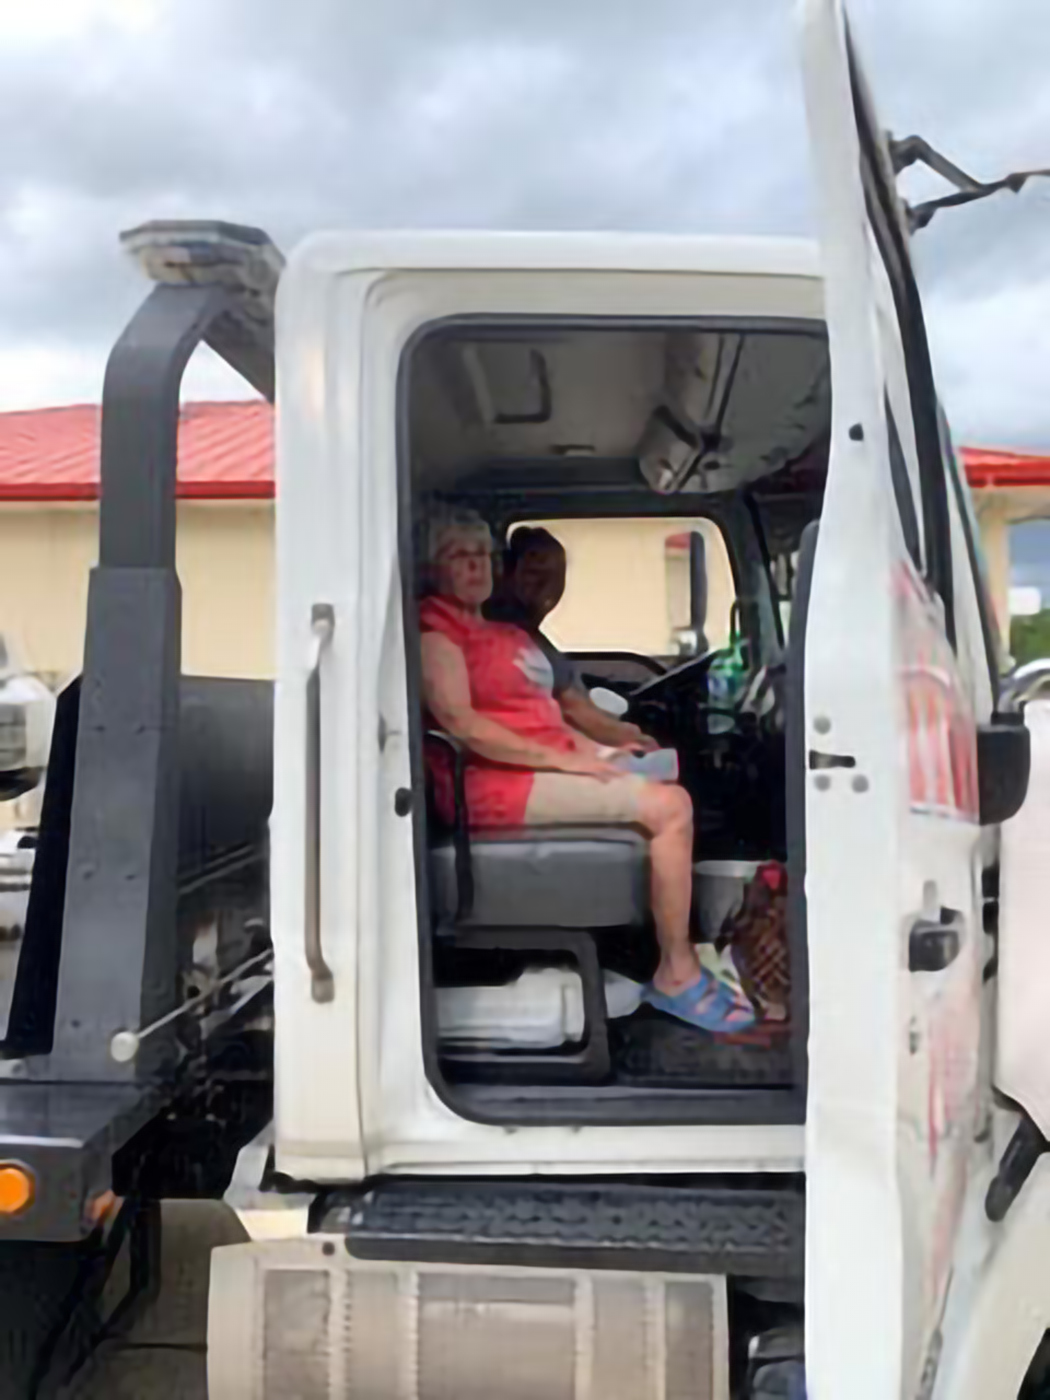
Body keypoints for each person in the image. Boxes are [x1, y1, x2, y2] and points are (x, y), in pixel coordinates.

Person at [418, 508, 753, 1034]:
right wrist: (568, 760)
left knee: (666, 775)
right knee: (672, 808)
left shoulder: (503, 634)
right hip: (490, 787)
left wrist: (600, 752)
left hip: (531, 771)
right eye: (462, 556)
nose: (478, 566)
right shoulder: (437, 633)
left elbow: (547, 715)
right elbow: (464, 725)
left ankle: (689, 941)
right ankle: (675, 970)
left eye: (484, 554)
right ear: (435, 568)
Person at [486, 526, 659, 753]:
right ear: (508, 575)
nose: (545, 585)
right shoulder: (509, 639)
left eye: (555, 575)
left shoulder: (532, 637)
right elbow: (576, 713)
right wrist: (634, 737)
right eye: (533, 573)